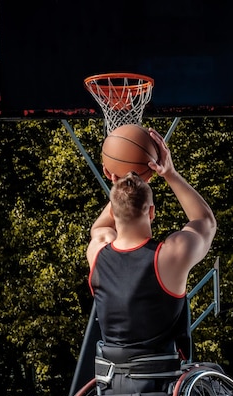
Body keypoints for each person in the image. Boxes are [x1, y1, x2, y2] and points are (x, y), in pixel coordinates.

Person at [87, 128, 217, 363]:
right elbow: (206, 222)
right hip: (164, 377)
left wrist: (125, 183)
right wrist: (170, 174)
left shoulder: (98, 250)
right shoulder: (170, 254)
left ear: (113, 212)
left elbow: (99, 227)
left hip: (113, 379)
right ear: (151, 212)